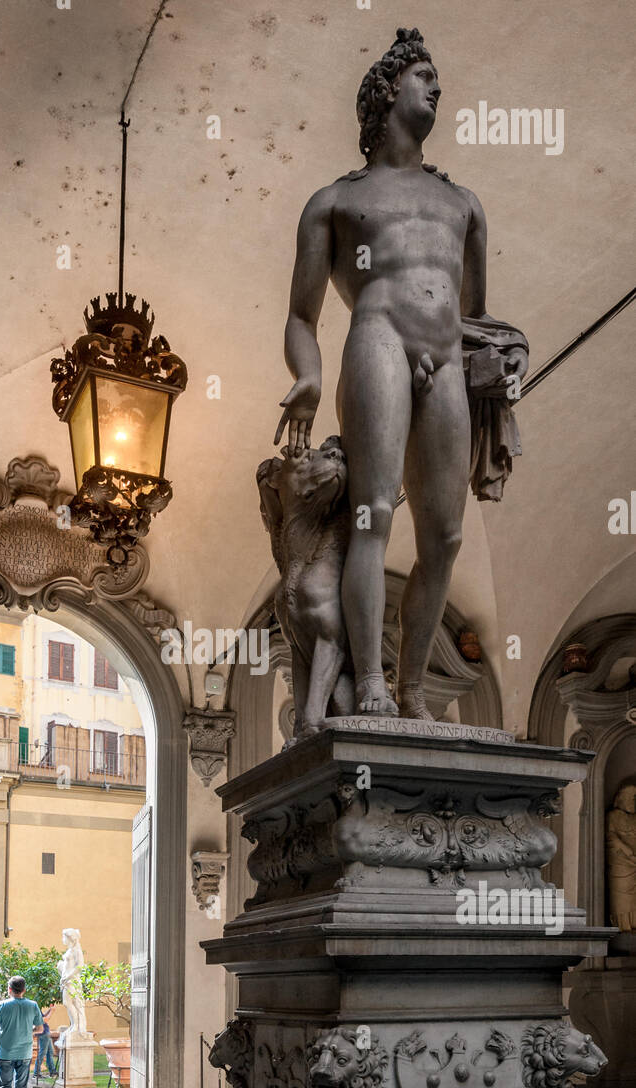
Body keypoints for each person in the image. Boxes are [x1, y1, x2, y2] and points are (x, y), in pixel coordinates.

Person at [275, 27, 528, 721]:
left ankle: (414, 685)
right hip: (378, 338)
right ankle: (377, 689)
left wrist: (497, 369)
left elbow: (474, 317)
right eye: (424, 75)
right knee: (373, 512)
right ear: (388, 92)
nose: (437, 87)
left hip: (446, 356)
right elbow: (301, 314)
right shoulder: (334, 201)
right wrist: (308, 376)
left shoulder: (464, 205)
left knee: (445, 534)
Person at [33, 1007, 58, 1080]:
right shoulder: (34, 1009)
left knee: (49, 1053)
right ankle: (36, 1073)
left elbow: (43, 1016)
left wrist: (50, 1009)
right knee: (42, 1053)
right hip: (43, 1034)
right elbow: (45, 1020)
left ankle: (52, 1072)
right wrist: (52, 1011)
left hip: (46, 1033)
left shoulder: (37, 1008)